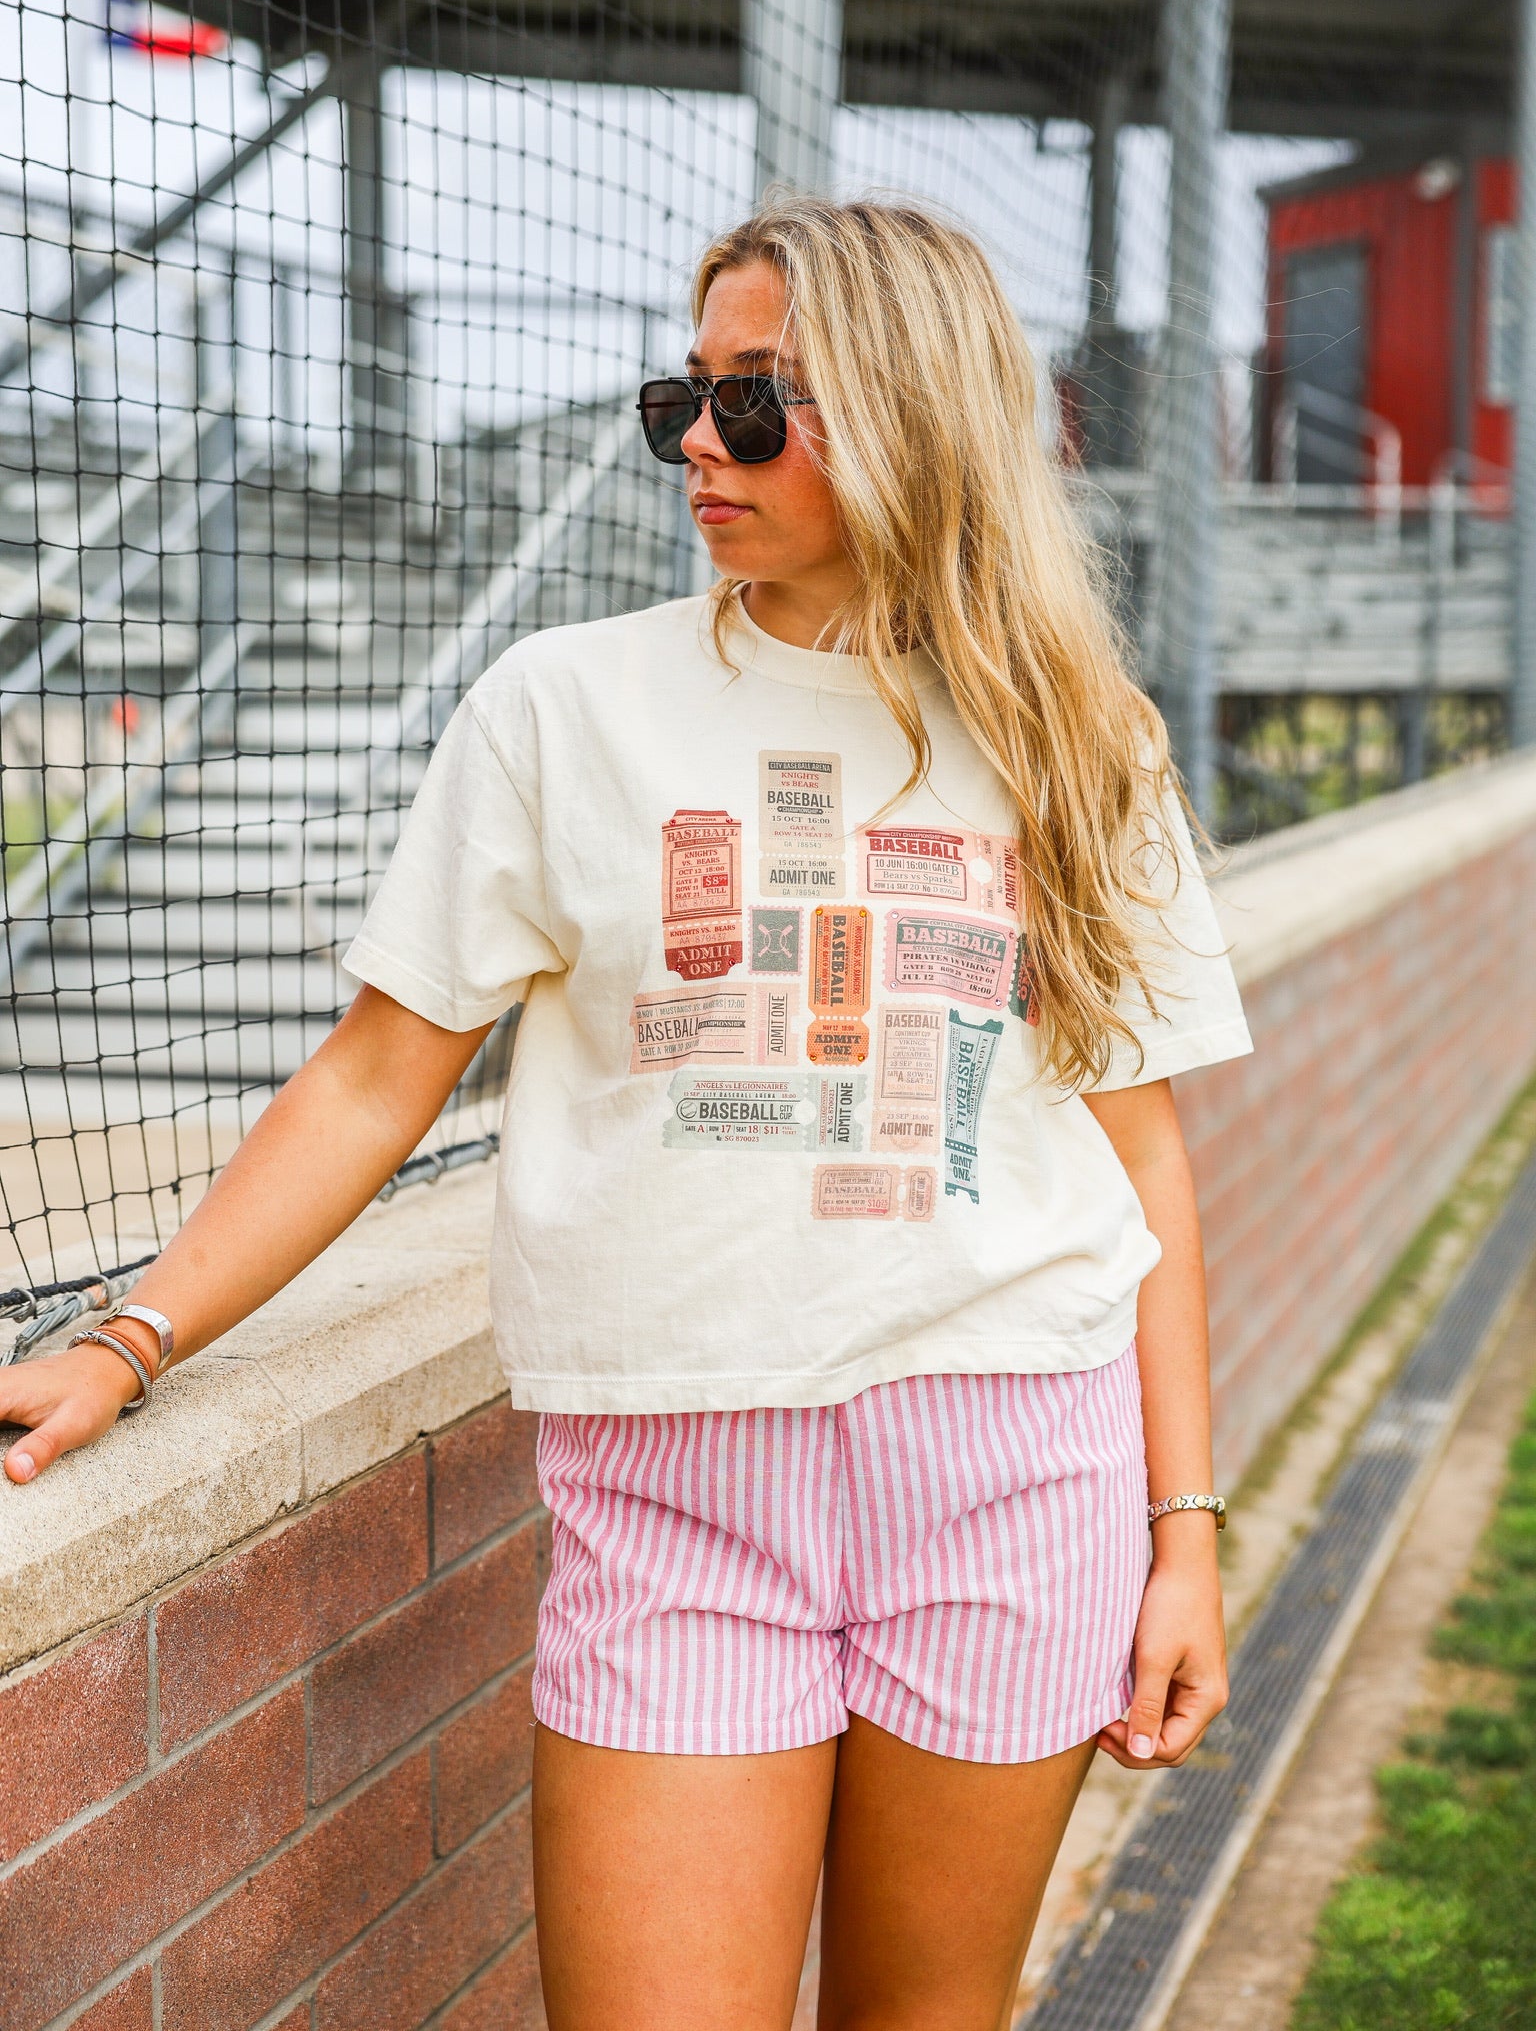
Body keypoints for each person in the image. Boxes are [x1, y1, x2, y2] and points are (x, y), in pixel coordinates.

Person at [2, 200, 1251, 2031]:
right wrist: (130, 1339)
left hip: (1014, 1474)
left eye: (756, 401)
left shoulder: (1080, 736)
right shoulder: (560, 707)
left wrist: (1185, 1532)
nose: (695, 446)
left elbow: (1140, 1159)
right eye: (683, 395)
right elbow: (373, 1075)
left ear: (914, 411)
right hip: (679, 1499)